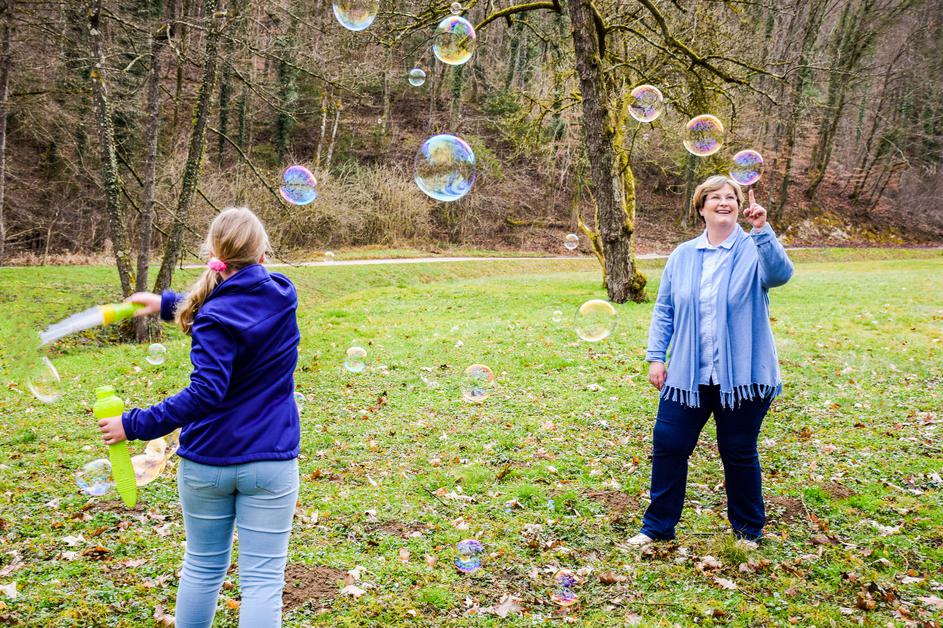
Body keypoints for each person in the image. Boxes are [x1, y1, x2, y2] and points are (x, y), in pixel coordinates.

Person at [97, 207, 301, 627]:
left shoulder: (211, 316)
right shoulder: (284, 294)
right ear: (263, 253)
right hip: (271, 461)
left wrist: (134, 424)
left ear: (214, 253)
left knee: (203, 570)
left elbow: (206, 389)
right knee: (262, 581)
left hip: (207, 462)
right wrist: (165, 302)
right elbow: (240, 309)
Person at [629, 175, 793, 546]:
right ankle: (657, 527)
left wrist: (763, 229)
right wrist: (657, 356)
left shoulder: (754, 248)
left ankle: (748, 531)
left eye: (731, 197)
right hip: (689, 374)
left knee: (737, 451)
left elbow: (781, 275)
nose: (724, 202)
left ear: (739, 206)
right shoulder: (683, 255)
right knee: (669, 443)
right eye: (715, 197)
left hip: (744, 376)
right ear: (701, 207)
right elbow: (665, 309)